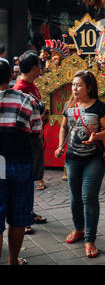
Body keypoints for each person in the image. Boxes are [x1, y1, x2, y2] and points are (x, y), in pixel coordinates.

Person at [54, 70, 105, 258]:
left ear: (89, 87)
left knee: (88, 197)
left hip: (93, 159)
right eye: (73, 85)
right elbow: (63, 127)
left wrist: (96, 136)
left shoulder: (99, 107)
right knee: (74, 198)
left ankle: (90, 239)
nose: (74, 88)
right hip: (72, 159)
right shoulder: (69, 105)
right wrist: (60, 146)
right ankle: (78, 229)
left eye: (79, 85)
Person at [0, 59, 42, 265]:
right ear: (10, 77)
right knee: (18, 218)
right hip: (20, 162)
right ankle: (13, 260)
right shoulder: (25, 100)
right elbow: (36, 131)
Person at [13, 51, 48, 234]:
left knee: (31, 179)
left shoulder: (30, 85)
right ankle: (23, 219)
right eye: (39, 65)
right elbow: (21, 118)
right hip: (28, 139)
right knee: (25, 180)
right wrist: (40, 118)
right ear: (34, 67)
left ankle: (29, 213)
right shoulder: (21, 88)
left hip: (36, 136)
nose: (41, 69)